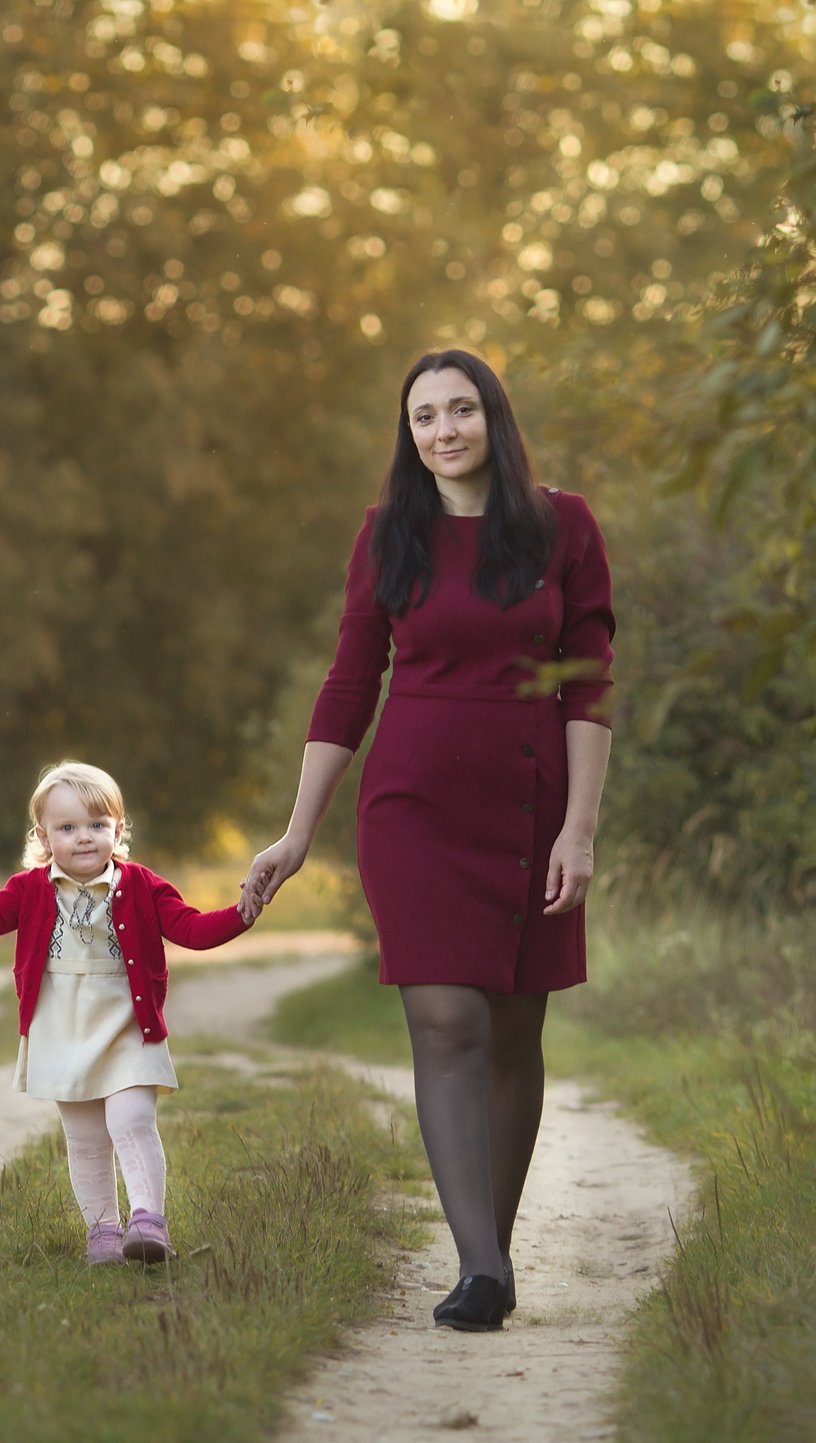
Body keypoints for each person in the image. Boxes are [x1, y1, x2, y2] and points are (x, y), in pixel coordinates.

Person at [240, 349, 614, 1333]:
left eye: (459, 410)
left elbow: (587, 684)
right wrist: (294, 833)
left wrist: (578, 828)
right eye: (422, 417)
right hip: (413, 810)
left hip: (531, 807)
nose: (442, 430)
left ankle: (491, 1246)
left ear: (493, 416)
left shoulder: (561, 526)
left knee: (515, 1030)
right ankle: (481, 1267)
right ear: (406, 436)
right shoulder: (387, 535)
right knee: (447, 1018)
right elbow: (349, 683)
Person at [0, 762, 255, 1264]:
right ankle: (104, 1233)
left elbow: (191, 928)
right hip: (62, 1033)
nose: (83, 838)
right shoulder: (30, 889)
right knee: (85, 1140)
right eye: (67, 828)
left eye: (97, 825)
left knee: (132, 1119)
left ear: (118, 830)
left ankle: (148, 1222)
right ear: (43, 836)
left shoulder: (142, 884)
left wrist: (242, 912)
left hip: (129, 1030)